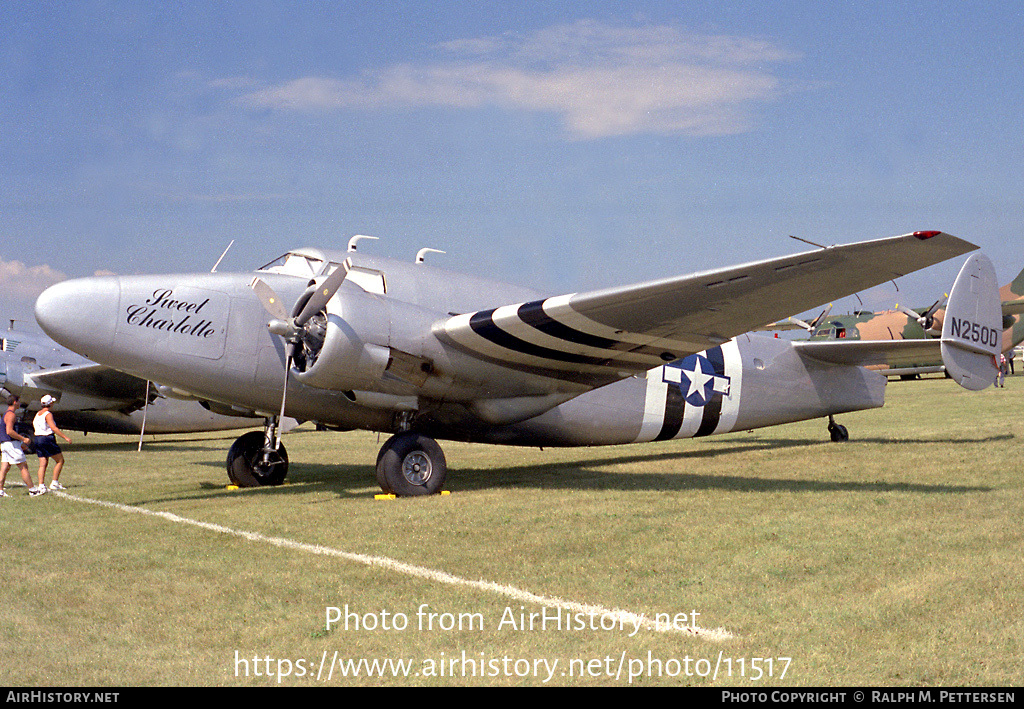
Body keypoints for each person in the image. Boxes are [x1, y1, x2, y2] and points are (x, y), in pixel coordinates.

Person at [31, 394, 71, 496]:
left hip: (38, 438)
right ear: (50, 404)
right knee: (60, 460)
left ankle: (41, 485)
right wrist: (65, 437)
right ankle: (54, 482)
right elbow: (53, 428)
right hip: (47, 438)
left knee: (43, 463)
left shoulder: (38, 414)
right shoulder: (48, 414)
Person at [0, 391, 33, 497]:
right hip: (10, 444)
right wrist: (23, 439)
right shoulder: (11, 415)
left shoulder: (6, 413)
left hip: (5, 444)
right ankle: (33, 490)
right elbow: (9, 431)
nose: (20, 403)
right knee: (23, 466)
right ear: (15, 402)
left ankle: (0, 490)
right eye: (18, 401)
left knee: (4, 468)